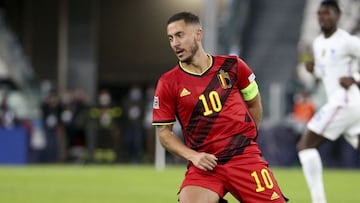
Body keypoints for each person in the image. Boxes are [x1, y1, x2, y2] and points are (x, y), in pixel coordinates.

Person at [152, 11, 287, 203]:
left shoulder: (233, 66)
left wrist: (247, 140)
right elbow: (164, 134)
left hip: (244, 159)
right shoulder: (168, 82)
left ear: (198, 34)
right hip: (205, 165)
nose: (175, 43)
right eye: (171, 38)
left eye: (180, 35)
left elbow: (254, 102)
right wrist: (194, 157)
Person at [296, 1, 360, 203]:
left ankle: (319, 201)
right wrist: (312, 69)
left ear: (338, 16)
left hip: (345, 101)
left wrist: (355, 77)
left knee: (305, 146)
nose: (323, 17)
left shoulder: (347, 41)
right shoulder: (318, 43)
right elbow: (327, 72)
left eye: (328, 14)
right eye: (320, 14)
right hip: (347, 104)